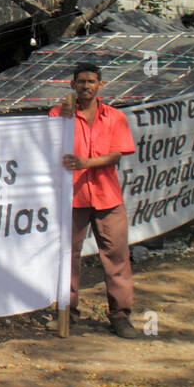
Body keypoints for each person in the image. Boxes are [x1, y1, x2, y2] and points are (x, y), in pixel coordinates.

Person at [49, 62, 138, 339]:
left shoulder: (114, 117)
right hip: (71, 198)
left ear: (100, 85)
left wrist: (84, 163)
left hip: (107, 197)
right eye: (81, 81)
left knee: (116, 257)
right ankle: (67, 313)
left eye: (91, 82)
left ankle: (120, 316)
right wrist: (59, 121)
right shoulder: (59, 113)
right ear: (72, 85)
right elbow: (47, 146)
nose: (86, 86)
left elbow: (116, 156)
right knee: (67, 257)